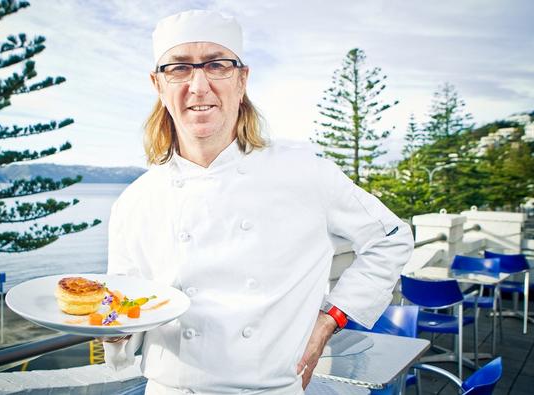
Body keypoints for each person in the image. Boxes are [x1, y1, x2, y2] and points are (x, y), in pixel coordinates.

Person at [104, 9, 414, 395]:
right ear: (158, 84)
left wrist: (328, 320)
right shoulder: (136, 200)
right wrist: (114, 334)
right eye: (179, 68)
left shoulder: (304, 173)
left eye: (217, 65)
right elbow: (122, 309)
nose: (198, 86)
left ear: (242, 79)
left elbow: (391, 237)